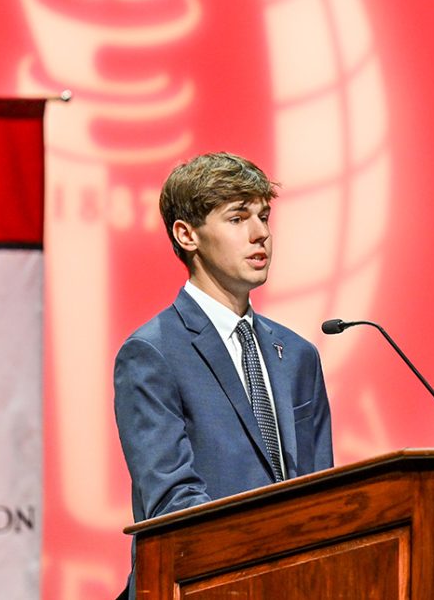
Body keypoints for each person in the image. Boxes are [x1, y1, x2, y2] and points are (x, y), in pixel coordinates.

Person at [113, 152, 333, 598]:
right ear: (187, 234)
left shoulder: (298, 355)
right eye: (237, 218)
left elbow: (323, 495)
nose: (261, 233)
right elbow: (172, 502)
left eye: (263, 216)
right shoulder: (152, 353)